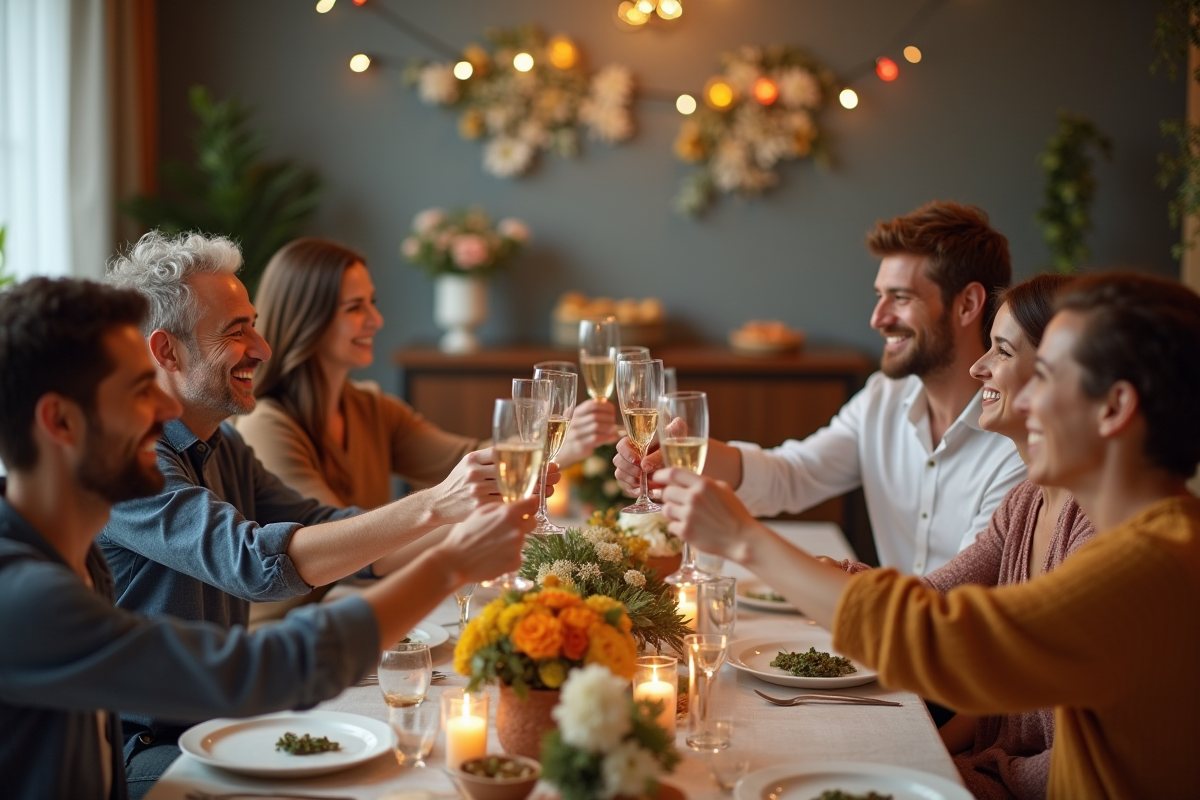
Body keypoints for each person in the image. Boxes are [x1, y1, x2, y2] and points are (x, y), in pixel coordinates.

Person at [656, 273, 1200, 799]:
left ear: (1114, 408)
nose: (1027, 399)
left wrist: (746, 540)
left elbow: (945, 640)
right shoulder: (1111, 528)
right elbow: (934, 606)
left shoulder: (1154, 563)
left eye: (1050, 377)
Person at [0, 277, 534, 800]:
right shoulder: (26, 597)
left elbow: (332, 532)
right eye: (139, 390)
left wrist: (458, 525)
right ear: (61, 423)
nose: (165, 410)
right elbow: (265, 658)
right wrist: (447, 561)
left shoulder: (73, 547)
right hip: (157, 749)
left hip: (211, 728)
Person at [615, 201, 1026, 575]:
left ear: (968, 305)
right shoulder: (884, 398)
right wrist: (679, 454)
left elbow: (960, 598)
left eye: (900, 298)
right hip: (880, 631)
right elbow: (791, 475)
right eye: (879, 296)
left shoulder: (1018, 444)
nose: (878, 318)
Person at [826, 274, 1094, 800]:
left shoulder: (1097, 533)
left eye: (1001, 350)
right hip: (985, 767)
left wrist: (956, 774)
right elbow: (931, 597)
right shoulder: (1025, 502)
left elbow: (1077, 763)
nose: (979, 367)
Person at [239, 237, 618, 510]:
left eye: (372, 303)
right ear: (308, 321)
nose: (376, 320)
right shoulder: (267, 425)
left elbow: (466, 458)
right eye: (355, 308)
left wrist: (559, 448)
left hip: (364, 602)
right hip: (300, 619)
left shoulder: (370, 409)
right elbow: (340, 546)